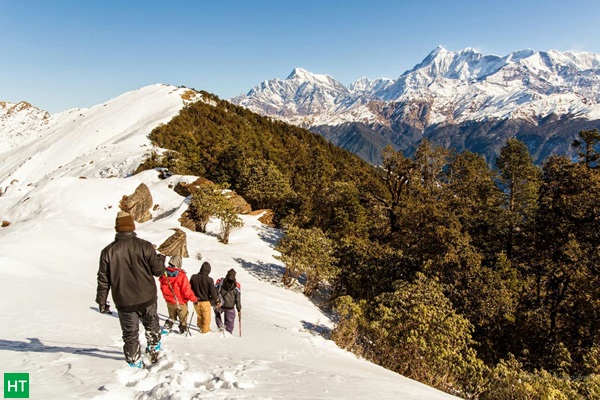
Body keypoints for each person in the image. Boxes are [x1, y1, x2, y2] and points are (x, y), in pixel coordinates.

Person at [96, 211, 166, 368]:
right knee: (151, 324)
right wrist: (160, 259)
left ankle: (134, 363)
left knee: (130, 334)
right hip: (147, 296)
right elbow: (158, 271)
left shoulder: (108, 251)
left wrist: (101, 301)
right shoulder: (145, 246)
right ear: (132, 226)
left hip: (124, 301)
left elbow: (103, 280)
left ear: (117, 229)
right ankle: (154, 348)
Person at [159, 255, 197, 334]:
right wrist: (194, 299)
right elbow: (186, 290)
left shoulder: (164, 273)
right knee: (183, 316)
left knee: (172, 316)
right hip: (180, 301)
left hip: (169, 300)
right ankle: (183, 329)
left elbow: (162, 286)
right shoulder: (181, 275)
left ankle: (168, 326)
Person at [189, 261, 220, 333]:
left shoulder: (194, 277)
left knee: (200, 316)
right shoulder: (209, 280)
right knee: (206, 319)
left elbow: (190, 289)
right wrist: (217, 301)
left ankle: (199, 329)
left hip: (196, 301)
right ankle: (204, 333)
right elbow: (213, 293)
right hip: (205, 302)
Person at [214, 268, 242, 335]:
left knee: (217, 314)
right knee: (230, 322)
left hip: (220, 304)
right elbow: (237, 299)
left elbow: (214, 292)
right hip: (230, 307)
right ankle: (228, 334)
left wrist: (216, 301)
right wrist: (239, 309)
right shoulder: (237, 285)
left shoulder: (220, 282)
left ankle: (220, 326)